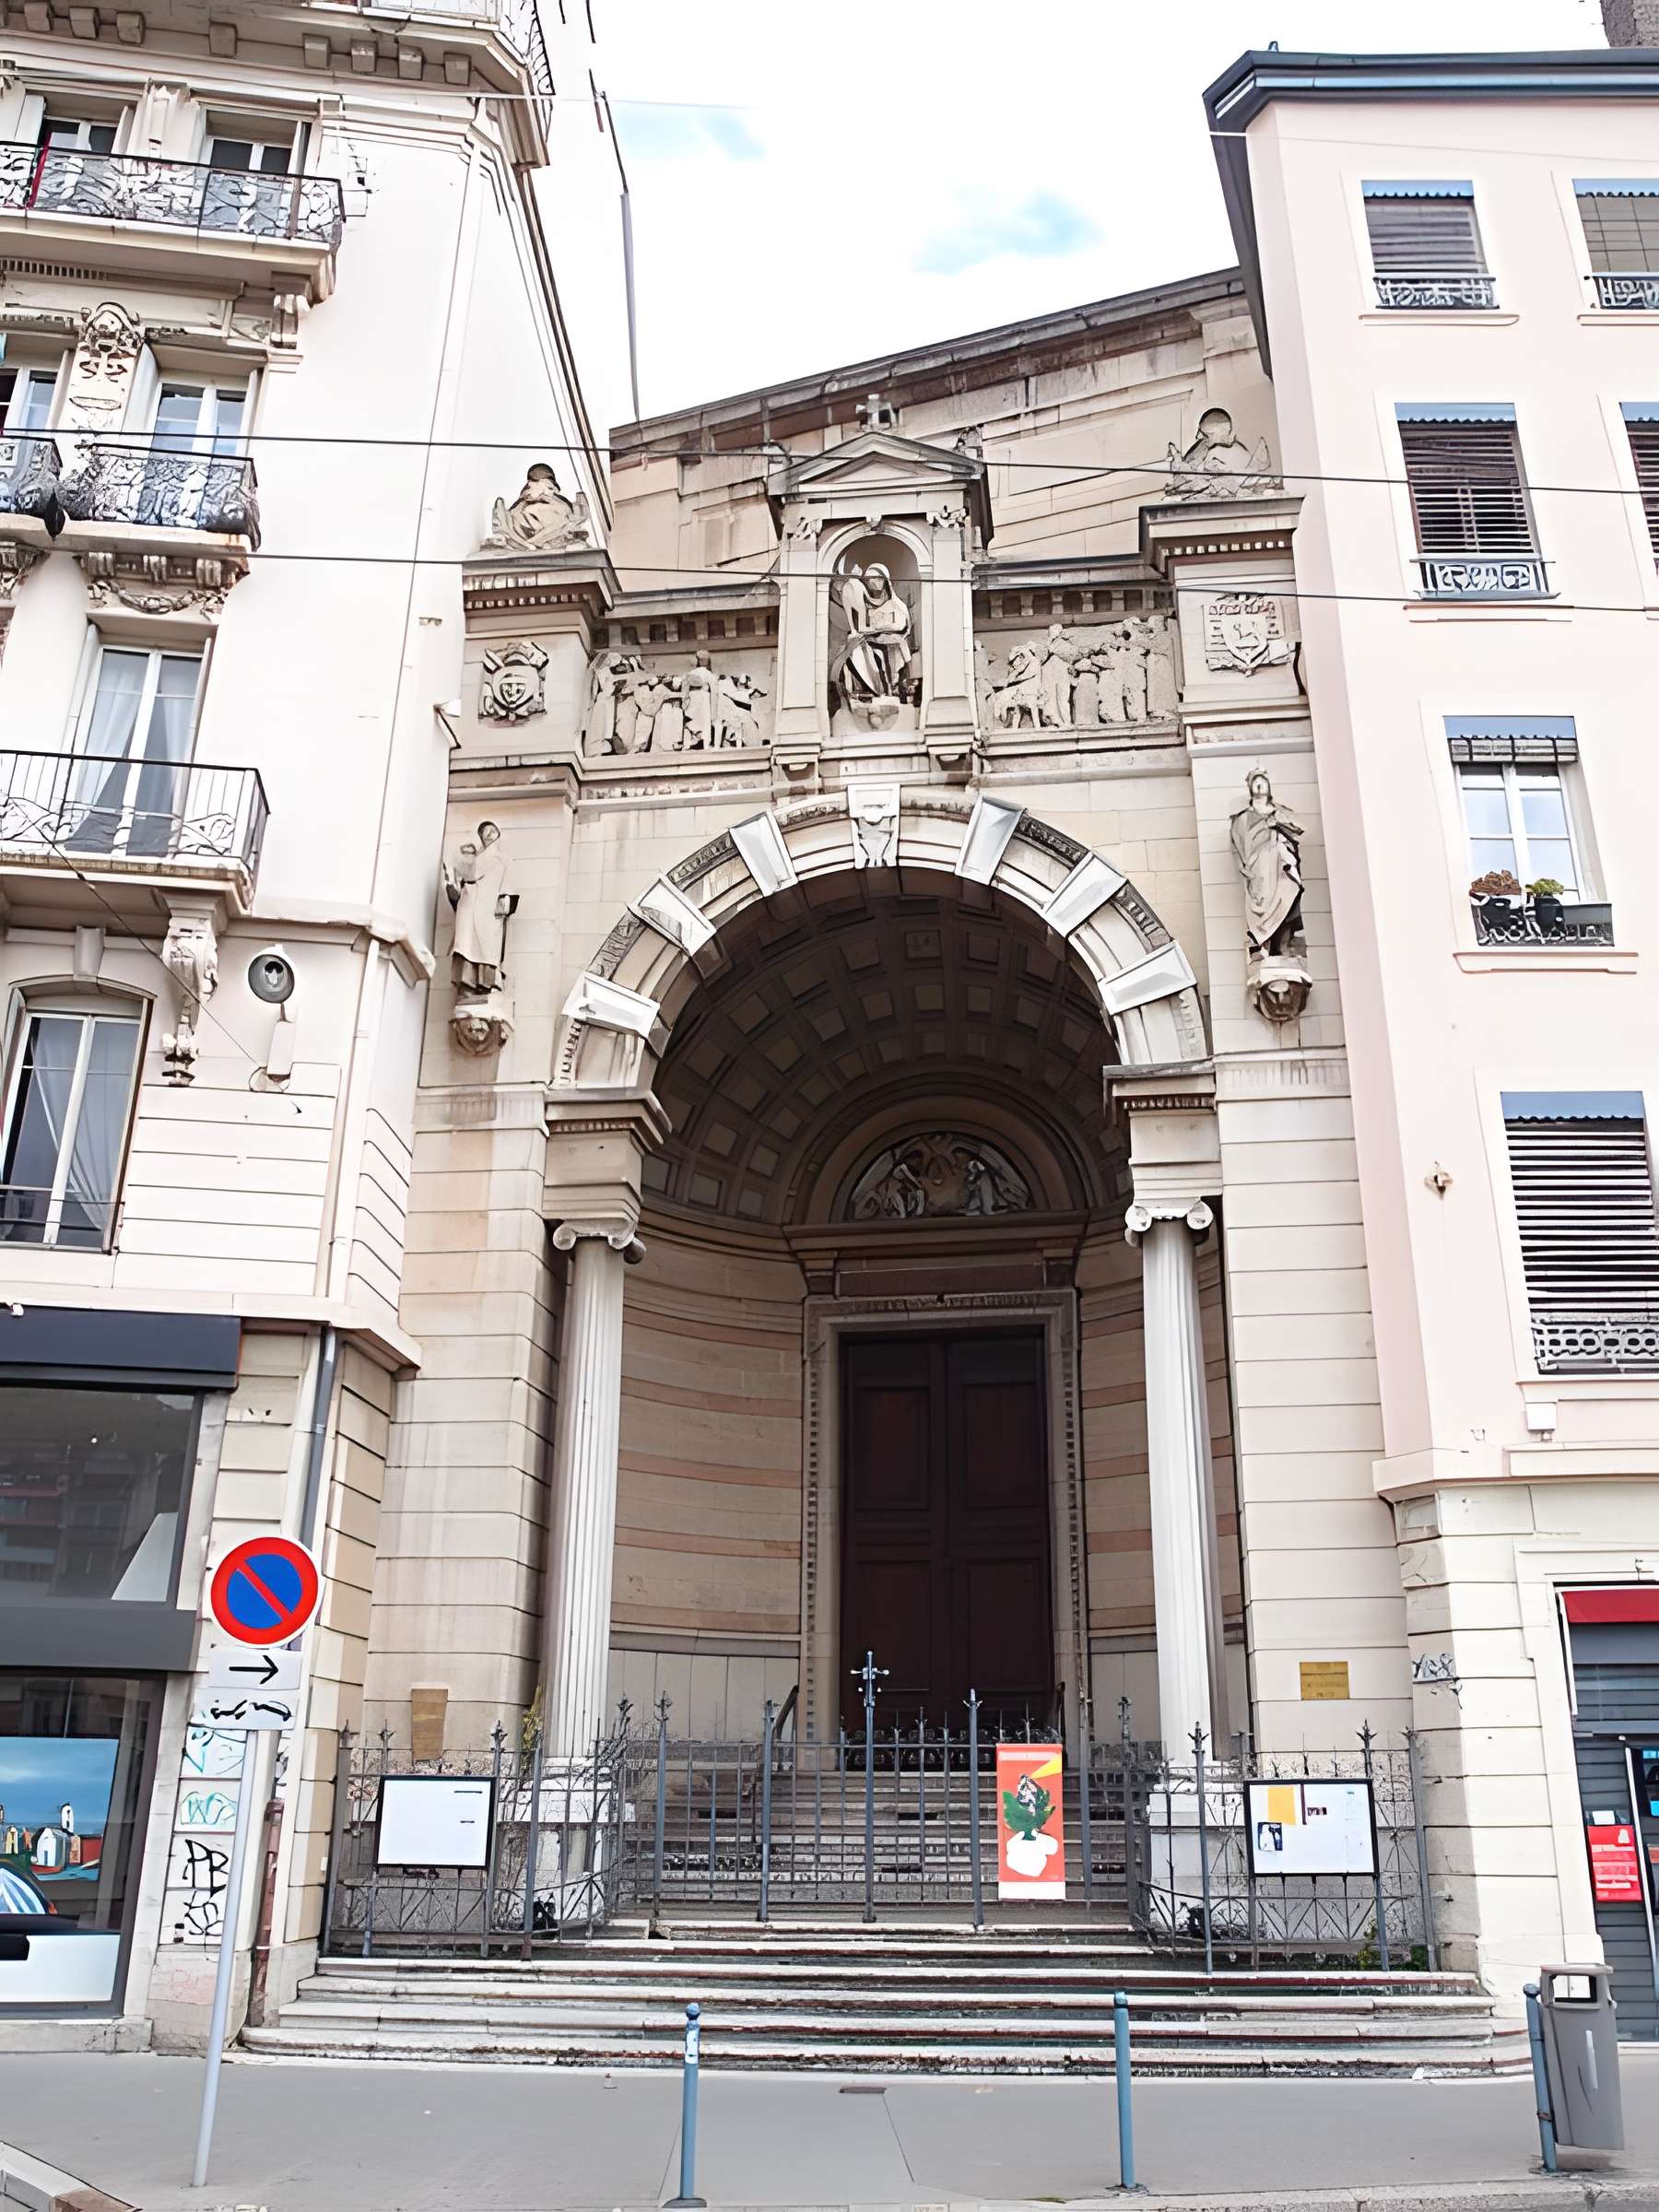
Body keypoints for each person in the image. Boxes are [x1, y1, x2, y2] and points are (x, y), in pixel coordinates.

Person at [1230, 770, 1305, 958]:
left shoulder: (1279, 811)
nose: (1260, 784)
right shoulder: (1243, 818)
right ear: (1250, 787)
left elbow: (1298, 829)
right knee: (1261, 903)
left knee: (1288, 894)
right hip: (1259, 868)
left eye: (1263, 780)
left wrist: (1277, 821)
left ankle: (1284, 945)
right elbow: (1239, 843)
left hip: (1281, 865)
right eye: (1256, 781)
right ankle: (1262, 944)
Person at [833, 563, 912, 713]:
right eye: (869, 579)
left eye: (877, 579)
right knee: (856, 652)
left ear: (885, 581)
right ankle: (865, 690)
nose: (873, 582)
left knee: (894, 648)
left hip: (890, 640)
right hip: (868, 640)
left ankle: (893, 688)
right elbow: (858, 625)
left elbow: (903, 625)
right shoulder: (862, 600)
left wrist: (882, 628)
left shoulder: (895, 603)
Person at [444, 821, 512, 993]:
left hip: (489, 907)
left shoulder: (502, 859)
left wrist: (506, 900)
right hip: (470, 903)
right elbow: (466, 875)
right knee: (467, 943)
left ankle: (485, 982)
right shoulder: (476, 857)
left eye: (492, 831)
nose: (489, 834)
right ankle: (468, 981)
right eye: (485, 832)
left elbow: (509, 884)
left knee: (486, 946)